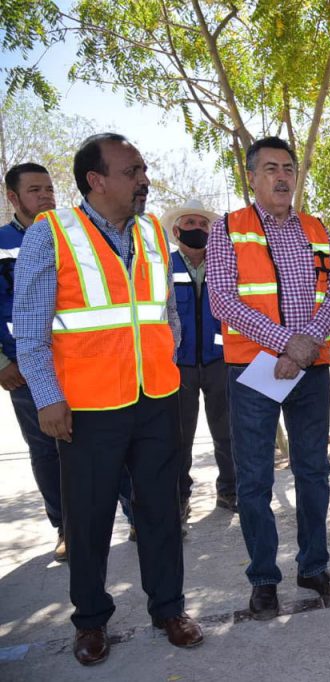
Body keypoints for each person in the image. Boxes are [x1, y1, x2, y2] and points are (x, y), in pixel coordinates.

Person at [13, 133, 203, 665]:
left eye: (143, 168)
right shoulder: (52, 234)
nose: (144, 179)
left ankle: (169, 608)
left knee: (161, 512)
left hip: (156, 396)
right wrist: (48, 398)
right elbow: (29, 328)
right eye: (132, 171)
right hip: (88, 407)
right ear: (96, 181)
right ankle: (91, 620)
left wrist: (167, 360)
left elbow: (166, 312)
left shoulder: (150, 232)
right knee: (90, 518)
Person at [206, 136, 330, 620]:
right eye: (270, 168)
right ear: (251, 177)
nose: (282, 176)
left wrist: (305, 343)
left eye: (288, 168)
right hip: (252, 370)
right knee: (254, 481)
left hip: (311, 369)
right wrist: (286, 343)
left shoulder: (316, 227)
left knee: (314, 473)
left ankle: (314, 567)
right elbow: (224, 300)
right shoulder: (228, 229)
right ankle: (264, 579)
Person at [1, 163, 63, 561]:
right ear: (13, 197)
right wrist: (2, 361)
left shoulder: (71, 236)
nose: (45, 196)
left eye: (49, 188)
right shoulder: (1, 243)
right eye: (35, 190)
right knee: (45, 451)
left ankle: (132, 515)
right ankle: (66, 528)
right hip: (23, 368)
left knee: (106, 442)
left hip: (78, 363)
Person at [164, 199, 237, 517]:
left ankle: (231, 492)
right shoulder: (163, 267)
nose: (197, 229)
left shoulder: (226, 265)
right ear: (177, 230)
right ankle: (179, 498)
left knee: (228, 433)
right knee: (178, 438)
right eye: (190, 224)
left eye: (203, 224)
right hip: (177, 366)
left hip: (220, 361)